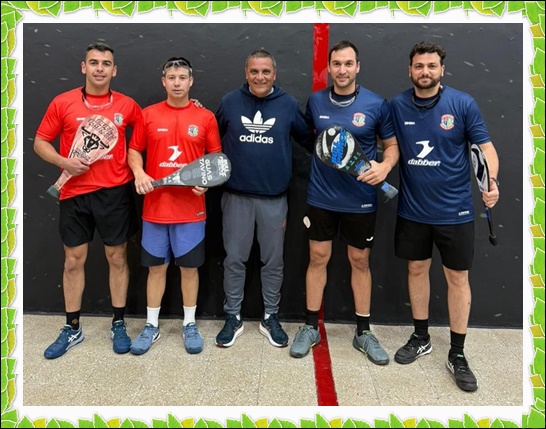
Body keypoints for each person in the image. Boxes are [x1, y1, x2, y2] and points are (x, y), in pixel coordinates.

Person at [389, 41, 500, 392]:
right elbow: (389, 146)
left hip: (456, 212)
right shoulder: (397, 105)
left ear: (442, 70)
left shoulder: (462, 104)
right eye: (419, 66)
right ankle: (421, 337)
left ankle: (457, 353)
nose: (425, 72)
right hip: (413, 210)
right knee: (416, 269)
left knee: (457, 278)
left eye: (431, 66)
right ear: (410, 70)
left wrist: (491, 182)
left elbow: (486, 149)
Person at [289, 40, 399, 365]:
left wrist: (385, 166)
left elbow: (392, 146)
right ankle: (310, 327)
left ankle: (363, 332)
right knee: (317, 258)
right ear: (329, 67)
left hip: (360, 200)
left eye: (348, 63)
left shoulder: (376, 104)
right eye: (336, 64)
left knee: (360, 261)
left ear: (357, 67)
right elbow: (314, 140)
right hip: (321, 197)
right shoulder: (316, 101)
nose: (342, 70)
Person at [34, 42, 142, 359]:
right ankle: (72, 327)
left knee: (117, 258)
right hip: (74, 194)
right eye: (93, 62)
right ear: (84, 67)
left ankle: (118, 323)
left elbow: (146, 131)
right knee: (72, 261)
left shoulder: (128, 105)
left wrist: (191, 105)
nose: (99, 68)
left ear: (114, 70)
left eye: (106, 63)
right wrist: (63, 162)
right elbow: (40, 142)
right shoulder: (62, 102)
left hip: (115, 193)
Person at [214, 48, 312, 348]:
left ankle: (270, 316)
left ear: (274, 74)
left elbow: (309, 140)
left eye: (265, 71)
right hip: (236, 197)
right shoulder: (229, 102)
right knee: (234, 260)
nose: (260, 77)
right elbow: (210, 137)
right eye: (254, 71)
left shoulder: (288, 104)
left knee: (273, 261)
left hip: (274, 199)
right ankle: (233, 316)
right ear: (246, 73)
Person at [127, 57, 222, 355]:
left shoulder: (205, 118)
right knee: (156, 269)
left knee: (189, 270)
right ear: (163, 82)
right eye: (172, 77)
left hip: (191, 212)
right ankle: (151, 325)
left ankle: (189, 324)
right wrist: (139, 173)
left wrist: (207, 182)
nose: (177, 83)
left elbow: (215, 160)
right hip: (155, 210)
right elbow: (134, 150)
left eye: (182, 77)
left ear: (191, 81)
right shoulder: (148, 115)